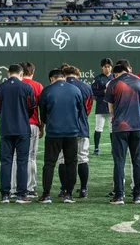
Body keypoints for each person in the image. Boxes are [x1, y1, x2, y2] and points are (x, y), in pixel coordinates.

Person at [38, 69, 85, 204]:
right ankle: (69, 194)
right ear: (63, 78)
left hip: (54, 132)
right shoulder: (75, 90)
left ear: (52, 78)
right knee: (71, 163)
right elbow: (80, 111)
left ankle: (46, 194)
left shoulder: (47, 90)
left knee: (49, 164)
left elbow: (43, 113)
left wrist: (49, 123)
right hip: (72, 132)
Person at [106, 61, 140, 205]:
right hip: (137, 126)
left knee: (119, 162)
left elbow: (110, 109)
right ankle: (138, 196)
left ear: (116, 72)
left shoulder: (112, 84)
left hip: (120, 127)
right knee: (138, 162)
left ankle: (119, 196)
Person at [0, 64, 36, 204]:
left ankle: (5, 195)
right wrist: (23, 116)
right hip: (22, 128)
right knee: (22, 162)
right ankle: (21, 194)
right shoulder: (27, 87)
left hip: (6, 128)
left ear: (8, 73)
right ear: (21, 74)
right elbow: (31, 108)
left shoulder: (0, 88)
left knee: (6, 162)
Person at [9, 62, 44, 199]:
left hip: (15, 125)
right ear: (33, 72)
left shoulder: (14, 85)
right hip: (32, 124)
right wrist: (42, 125)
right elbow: (42, 108)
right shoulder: (38, 86)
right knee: (31, 157)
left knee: (15, 157)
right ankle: (29, 187)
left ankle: (13, 188)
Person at [61, 66, 94, 198]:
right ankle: (84, 188)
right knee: (82, 158)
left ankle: (64, 189)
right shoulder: (86, 87)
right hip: (81, 127)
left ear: (64, 75)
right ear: (77, 75)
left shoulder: (60, 85)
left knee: (63, 159)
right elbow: (88, 109)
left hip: (63, 128)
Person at [91, 58, 113, 155]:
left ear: (111, 67)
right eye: (105, 67)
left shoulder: (114, 78)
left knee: (113, 129)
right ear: (101, 68)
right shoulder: (98, 78)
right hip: (101, 107)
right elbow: (93, 91)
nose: (107, 68)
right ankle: (96, 148)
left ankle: (114, 148)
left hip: (112, 107)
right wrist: (102, 92)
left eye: (109, 66)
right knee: (98, 128)